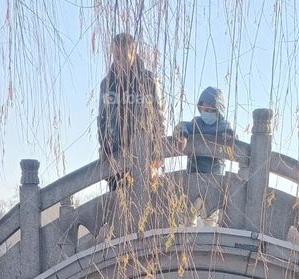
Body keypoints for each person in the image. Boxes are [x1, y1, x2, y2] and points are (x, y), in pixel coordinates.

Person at [97, 33, 165, 191]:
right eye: (116, 56)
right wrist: (105, 148)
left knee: (147, 205)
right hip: (116, 155)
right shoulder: (107, 84)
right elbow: (102, 121)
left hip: (145, 154)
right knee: (118, 209)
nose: (119, 61)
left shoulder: (149, 80)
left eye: (123, 56)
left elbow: (159, 117)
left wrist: (158, 150)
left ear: (133, 50)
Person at [174, 87, 235, 176]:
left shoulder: (223, 126)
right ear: (201, 109)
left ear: (219, 111)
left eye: (213, 110)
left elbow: (234, 137)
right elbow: (181, 125)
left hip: (215, 170)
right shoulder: (197, 123)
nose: (209, 112)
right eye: (206, 110)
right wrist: (183, 135)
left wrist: (229, 135)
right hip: (194, 168)